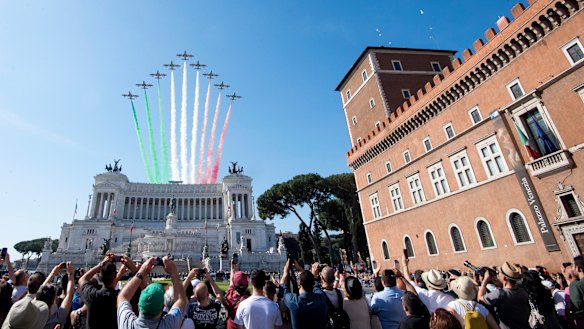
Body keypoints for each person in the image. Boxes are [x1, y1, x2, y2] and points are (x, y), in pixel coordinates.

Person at [117, 256, 188, 329]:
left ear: (138, 306)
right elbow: (181, 299)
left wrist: (140, 273)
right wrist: (174, 272)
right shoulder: (169, 325)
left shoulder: (126, 324)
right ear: (163, 308)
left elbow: (122, 296)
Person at [80, 253, 135, 329]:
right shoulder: (121, 298)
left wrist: (101, 264)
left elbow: (82, 280)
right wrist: (132, 266)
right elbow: (141, 286)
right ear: (115, 276)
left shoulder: (91, 295)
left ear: (100, 276)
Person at [478, 261, 530, 329]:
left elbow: (480, 300)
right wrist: (500, 284)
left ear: (504, 278)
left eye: (499, 273)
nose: (498, 275)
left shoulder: (499, 294)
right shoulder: (522, 291)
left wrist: (484, 281)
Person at [280, 259, 327, 329]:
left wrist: (285, 272)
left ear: (300, 283)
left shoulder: (294, 302)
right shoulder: (321, 297)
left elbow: (282, 287)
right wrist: (301, 270)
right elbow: (315, 285)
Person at [36, 262, 76, 329]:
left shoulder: (31, 310)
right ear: (52, 300)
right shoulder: (56, 318)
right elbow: (69, 295)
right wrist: (71, 274)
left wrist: (53, 273)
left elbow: (41, 290)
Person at [223, 260, 250, 329]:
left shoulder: (229, 296)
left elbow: (231, 284)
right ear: (247, 284)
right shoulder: (250, 301)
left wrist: (232, 269)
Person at [570, 256, 584, 327]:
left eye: (572, 267)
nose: (571, 269)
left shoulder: (576, 286)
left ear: (578, 268)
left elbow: (577, 307)